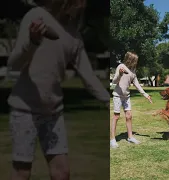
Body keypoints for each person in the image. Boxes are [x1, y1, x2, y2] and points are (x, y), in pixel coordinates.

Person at [7, 0, 109, 179]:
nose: (83, 5)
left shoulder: (74, 36)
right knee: (22, 172)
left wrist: (109, 100)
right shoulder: (35, 16)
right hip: (25, 110)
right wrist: (33, 42)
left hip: (53, 113)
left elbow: (88, 76)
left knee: (62, 173)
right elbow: (13, 64)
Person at [110, 52, 152, 148]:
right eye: (135, 60)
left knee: (129, 116)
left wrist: (145, 94)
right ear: (130, 60)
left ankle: (130, 137)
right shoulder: (121, 66)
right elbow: (114, 81)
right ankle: (112, 139)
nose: (136, 62)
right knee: (116, 116)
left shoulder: (133, 70)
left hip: (126, 96)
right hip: (117, 95)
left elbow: (136, 84)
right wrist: (120, 74)